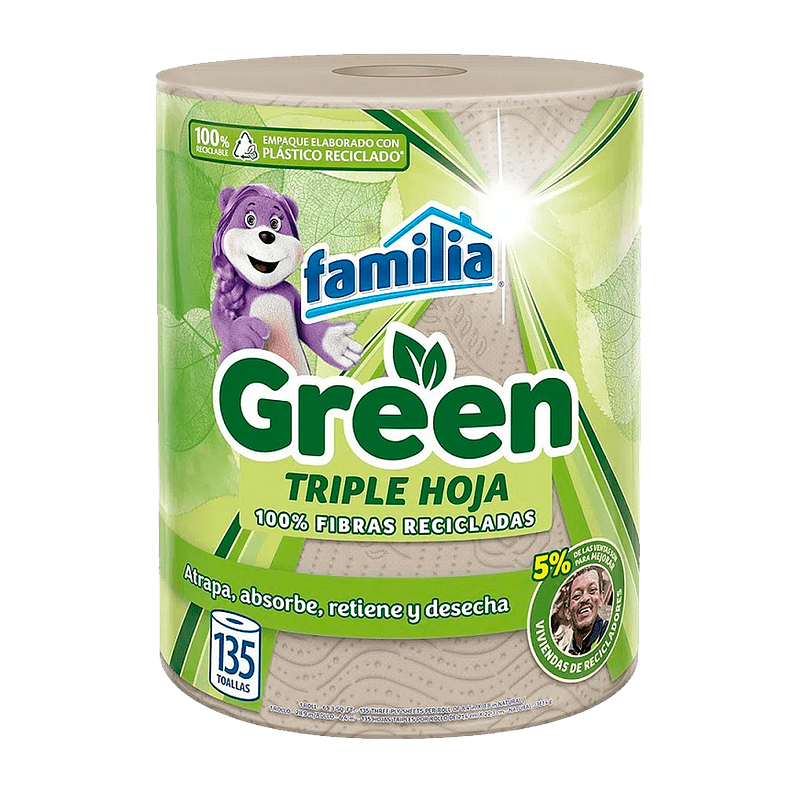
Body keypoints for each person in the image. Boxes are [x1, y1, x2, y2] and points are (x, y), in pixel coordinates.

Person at [561, 566, 609, 656]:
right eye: (577, 595)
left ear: (601, 598)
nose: (585, 598)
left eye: (592, 590)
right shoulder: (566, 651)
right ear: (567, 611)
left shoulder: (609, 632)